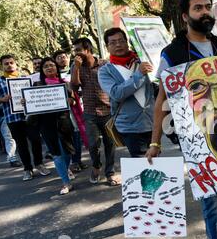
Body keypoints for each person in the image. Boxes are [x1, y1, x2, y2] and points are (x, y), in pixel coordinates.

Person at [145, 0, 217, 239]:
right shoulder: (172, 53)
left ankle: (213, 237)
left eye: (208, 7)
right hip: (195, 137)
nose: (205, 12)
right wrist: (155, 143)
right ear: (185, 16)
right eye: (198, 8)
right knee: (212, 195)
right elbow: (161, 100)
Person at [98, 27, 155, 158]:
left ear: (127, 43)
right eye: (113, 42)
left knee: (156, 162)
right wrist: (139, 74)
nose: (118, 45)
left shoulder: (143, 62)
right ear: (107, 47)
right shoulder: (105, 71)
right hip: (130, 127)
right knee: (142, 164)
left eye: (121, 41)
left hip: (152, 123)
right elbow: (116, 93)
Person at [70, 38, 119, 186]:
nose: (76, 53)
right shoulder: (75, 66)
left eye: (78, 49)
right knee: (92, 144)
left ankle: (109, 173)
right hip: (90, 112)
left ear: (88, 49)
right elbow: (74, 86)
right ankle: (96, 166)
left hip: (107, 110)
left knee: (110, 143)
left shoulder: (104, 64)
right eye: (75, 50)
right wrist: (76, 68)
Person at [28, 58, 76, 195]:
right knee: (56, 154)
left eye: (52, 65)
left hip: (64, 123)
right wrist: (25, 101)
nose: (49, 68)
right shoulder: (37, 85)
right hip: (46, 124)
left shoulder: (64, 84)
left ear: (56, 68)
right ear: (42, 70)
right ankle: (66, 182)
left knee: (67, 153)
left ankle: (65, 171)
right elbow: (30, 104)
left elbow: (73, 100)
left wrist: (70, 100)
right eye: (46, 66)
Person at [0, 55, 50, 181]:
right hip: (12, 118)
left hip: (29, 116)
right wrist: (1, 99)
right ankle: (27, 169)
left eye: (11, 62)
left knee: (36, 139)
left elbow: (34, 95)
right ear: (2, 66)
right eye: (6, 63)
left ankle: (39, 164)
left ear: (16, 64)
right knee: (21, 145)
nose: (9, 65)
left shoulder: (25, 79)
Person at [53, 50, 88, 172]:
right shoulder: (55, 77)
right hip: (62, 115)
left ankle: (77, 160)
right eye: (59, 57)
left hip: (77, 110)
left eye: (64, 56)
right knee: (67, 139)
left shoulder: (75, 71)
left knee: (77, 136)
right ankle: (70, 165)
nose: (62, 59)